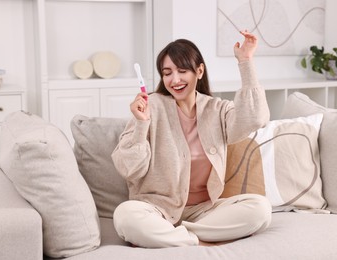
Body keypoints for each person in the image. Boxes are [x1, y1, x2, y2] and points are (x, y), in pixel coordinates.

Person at [111, 30, 271, 248]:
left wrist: (245, 61)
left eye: (182, 71)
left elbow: (256, 118)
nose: (174, 80)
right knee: (125, 215)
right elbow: (129, 169)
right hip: (156, 209)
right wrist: (141, 124)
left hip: (204, 212)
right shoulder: (152, 106)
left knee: (260, 208)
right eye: (167, 73)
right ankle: (200, 240)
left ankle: (176, 237)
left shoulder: (218, 109)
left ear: (199, 71)